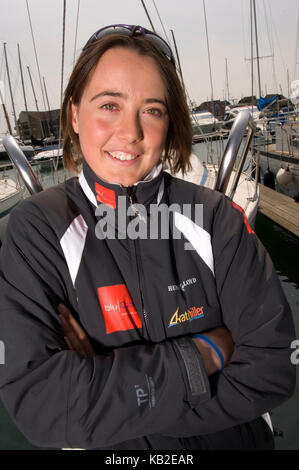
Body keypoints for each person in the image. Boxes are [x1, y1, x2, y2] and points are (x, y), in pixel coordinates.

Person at [0, 24, 295, 451]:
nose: (131, 132)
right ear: (74, 115)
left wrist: (103, 389)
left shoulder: (215, 220)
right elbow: (42, 403)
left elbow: (272, 367)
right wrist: (207, 353)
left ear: (170, 123)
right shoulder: (38, 231)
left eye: (151, 110)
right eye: (109, 105)